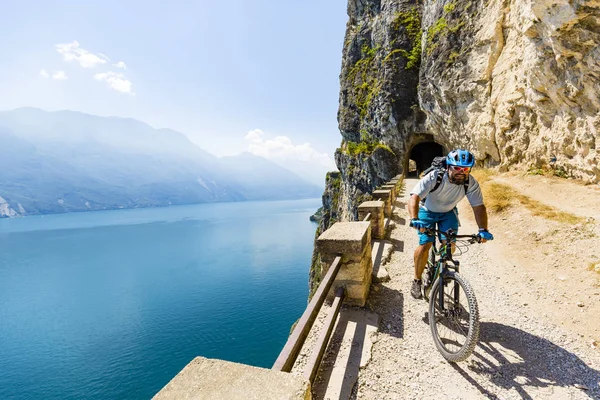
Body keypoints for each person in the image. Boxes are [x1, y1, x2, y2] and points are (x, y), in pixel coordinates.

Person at [407, 149, 494, 299]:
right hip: (427, 211)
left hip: (448, 212)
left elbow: (478, 206)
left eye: (465, 169)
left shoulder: (470, 183)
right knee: (426, 244)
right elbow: (414, 197)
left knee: (450, 243)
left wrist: (483, 229)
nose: (461, 172)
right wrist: (414, 219)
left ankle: (443, 268)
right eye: (457, 168)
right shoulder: (435, 177)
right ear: (448, 166)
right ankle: (417, 280)